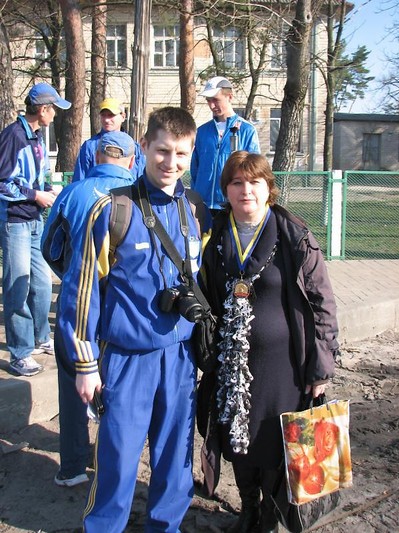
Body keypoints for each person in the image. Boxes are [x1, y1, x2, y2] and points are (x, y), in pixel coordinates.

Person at [57, 107, 212, 532]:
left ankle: (166, 527)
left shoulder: (196, 210)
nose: (171, 162)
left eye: (181, 154)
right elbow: (81, 292)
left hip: (180, 357)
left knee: (175, 460)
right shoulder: (113, 210)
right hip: (127, 359)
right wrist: (85, 364)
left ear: (191, 154)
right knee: (118, 460)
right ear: (143, 147)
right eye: (162, 150)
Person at [197, 151, 339, 533]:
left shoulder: (294, 235)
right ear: (226, 190)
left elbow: (323, 303)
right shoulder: (215, 236)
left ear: (268, 188)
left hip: (285, 368)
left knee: (276, 443)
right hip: (233, 367)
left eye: (254, 182)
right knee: (237, 441)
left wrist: (321, 367)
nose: (246, 190)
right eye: (237, 183)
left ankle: (269, 517)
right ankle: (247, 509)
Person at [41, 131, 137, 487]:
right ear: (132, 161)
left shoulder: (72, 193)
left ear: (95, 158)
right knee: (120, 386)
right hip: (122, 311)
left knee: (72, 382)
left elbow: (49, 247)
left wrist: (71, 276)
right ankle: (113, 464)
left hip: (76, 307)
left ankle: (73, 467)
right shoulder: (139, 196)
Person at [0, 82, 71, 377]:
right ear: (42, 109)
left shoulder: (37, 136)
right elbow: (3, 183)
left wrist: (49, 191)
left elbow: (39, 174)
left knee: (41, 284)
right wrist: (35, 195)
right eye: (53, 109)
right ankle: (20, 352)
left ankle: (42, 338)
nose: (55, 114)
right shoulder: (13, 136)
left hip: (35, 220)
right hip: (14, 221)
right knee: (17, 286)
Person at [190, 76, 260, 213]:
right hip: (202, 206)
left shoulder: (246, 130)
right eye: (208, 101)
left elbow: (254, 171)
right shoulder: (202, 132)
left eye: (216, 100)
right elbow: (195, 170)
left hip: (231, 206)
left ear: (230, 97)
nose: (212, 106)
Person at [72, 97, 145, 182]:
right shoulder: (89, 147)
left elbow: (142, 179)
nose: (106, 120)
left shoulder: (135, 148)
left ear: (123, 117)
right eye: (103, 115)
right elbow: (79, 180)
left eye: (111, 115)